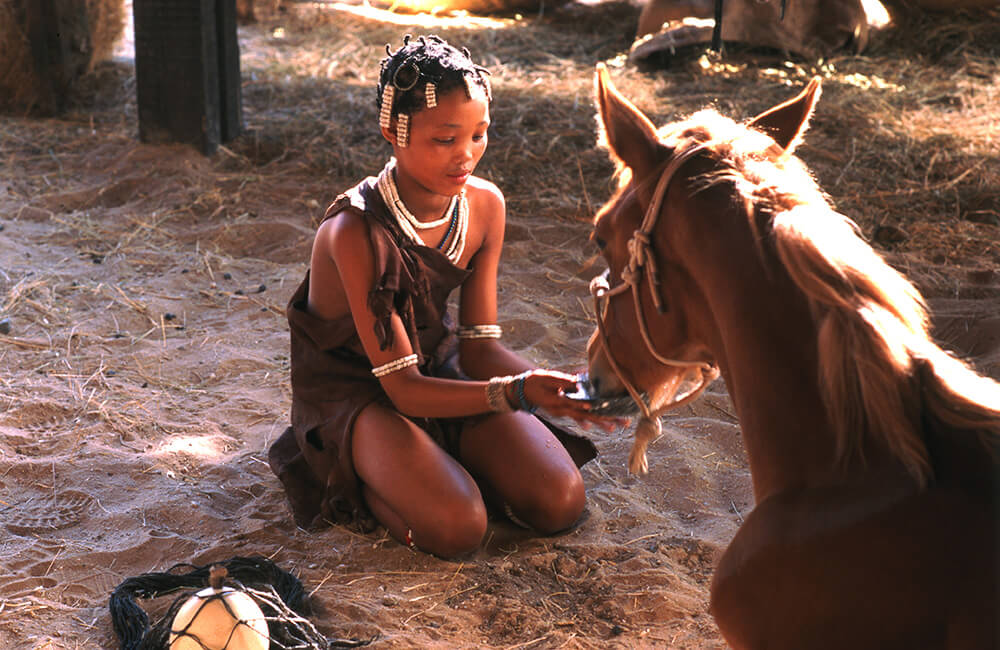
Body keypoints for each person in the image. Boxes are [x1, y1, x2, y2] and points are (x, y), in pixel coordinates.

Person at [268, 34, 605, 558]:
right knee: (457, 528)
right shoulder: (355, 233)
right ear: (392, 133)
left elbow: (478, 350)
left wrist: (571, 388)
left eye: (479, 134)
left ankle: (440, 464)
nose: (465, 155)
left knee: (559, 501)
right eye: (445, 139)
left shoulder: (485, 207)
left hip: (436, 367)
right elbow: (403, 390)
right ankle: (378, 473)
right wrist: (517, 393)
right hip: (358, 395)